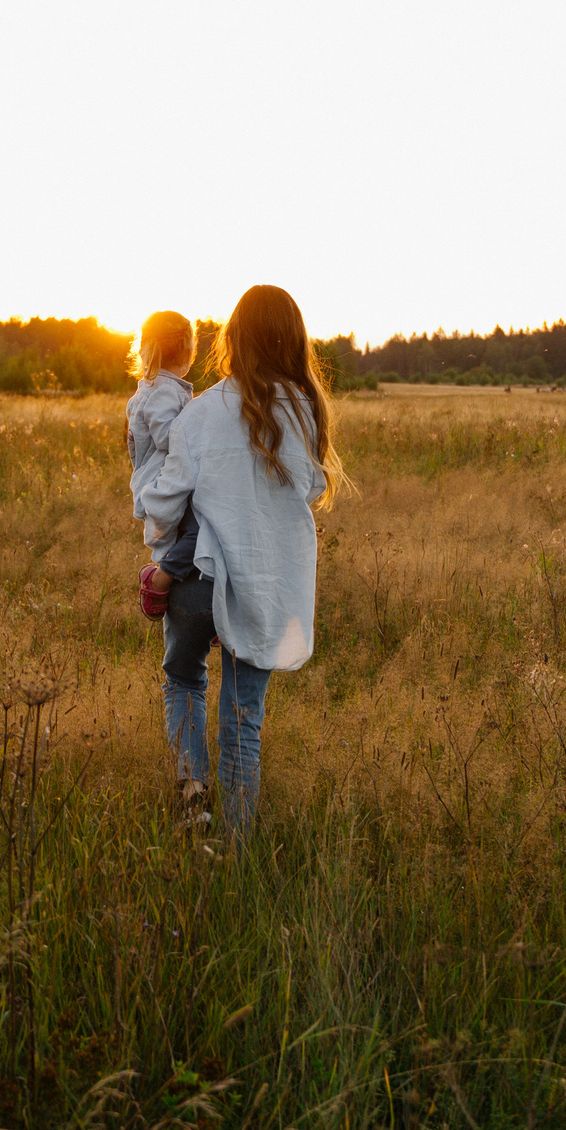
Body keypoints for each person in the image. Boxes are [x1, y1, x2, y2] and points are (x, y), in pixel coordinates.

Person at [136, 284, 344, 844]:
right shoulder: (305, 411)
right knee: (242, 718)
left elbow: (166, 499)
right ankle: (238, 848)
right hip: (264, 584)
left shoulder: (201, 413)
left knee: (181, 677)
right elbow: (309, 486)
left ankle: (193, 795)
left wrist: (157, 537)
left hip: (195, 580)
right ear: (294, 341)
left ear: (233, 339)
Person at [125, 310, 208, 800]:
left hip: (160, 492)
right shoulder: (163, 393)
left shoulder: (155, 389)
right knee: (190, 530)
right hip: (166, 490)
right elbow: (170, 440)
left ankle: (173, 584)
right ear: (189, 347)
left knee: (181, 673)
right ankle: (166, 580)